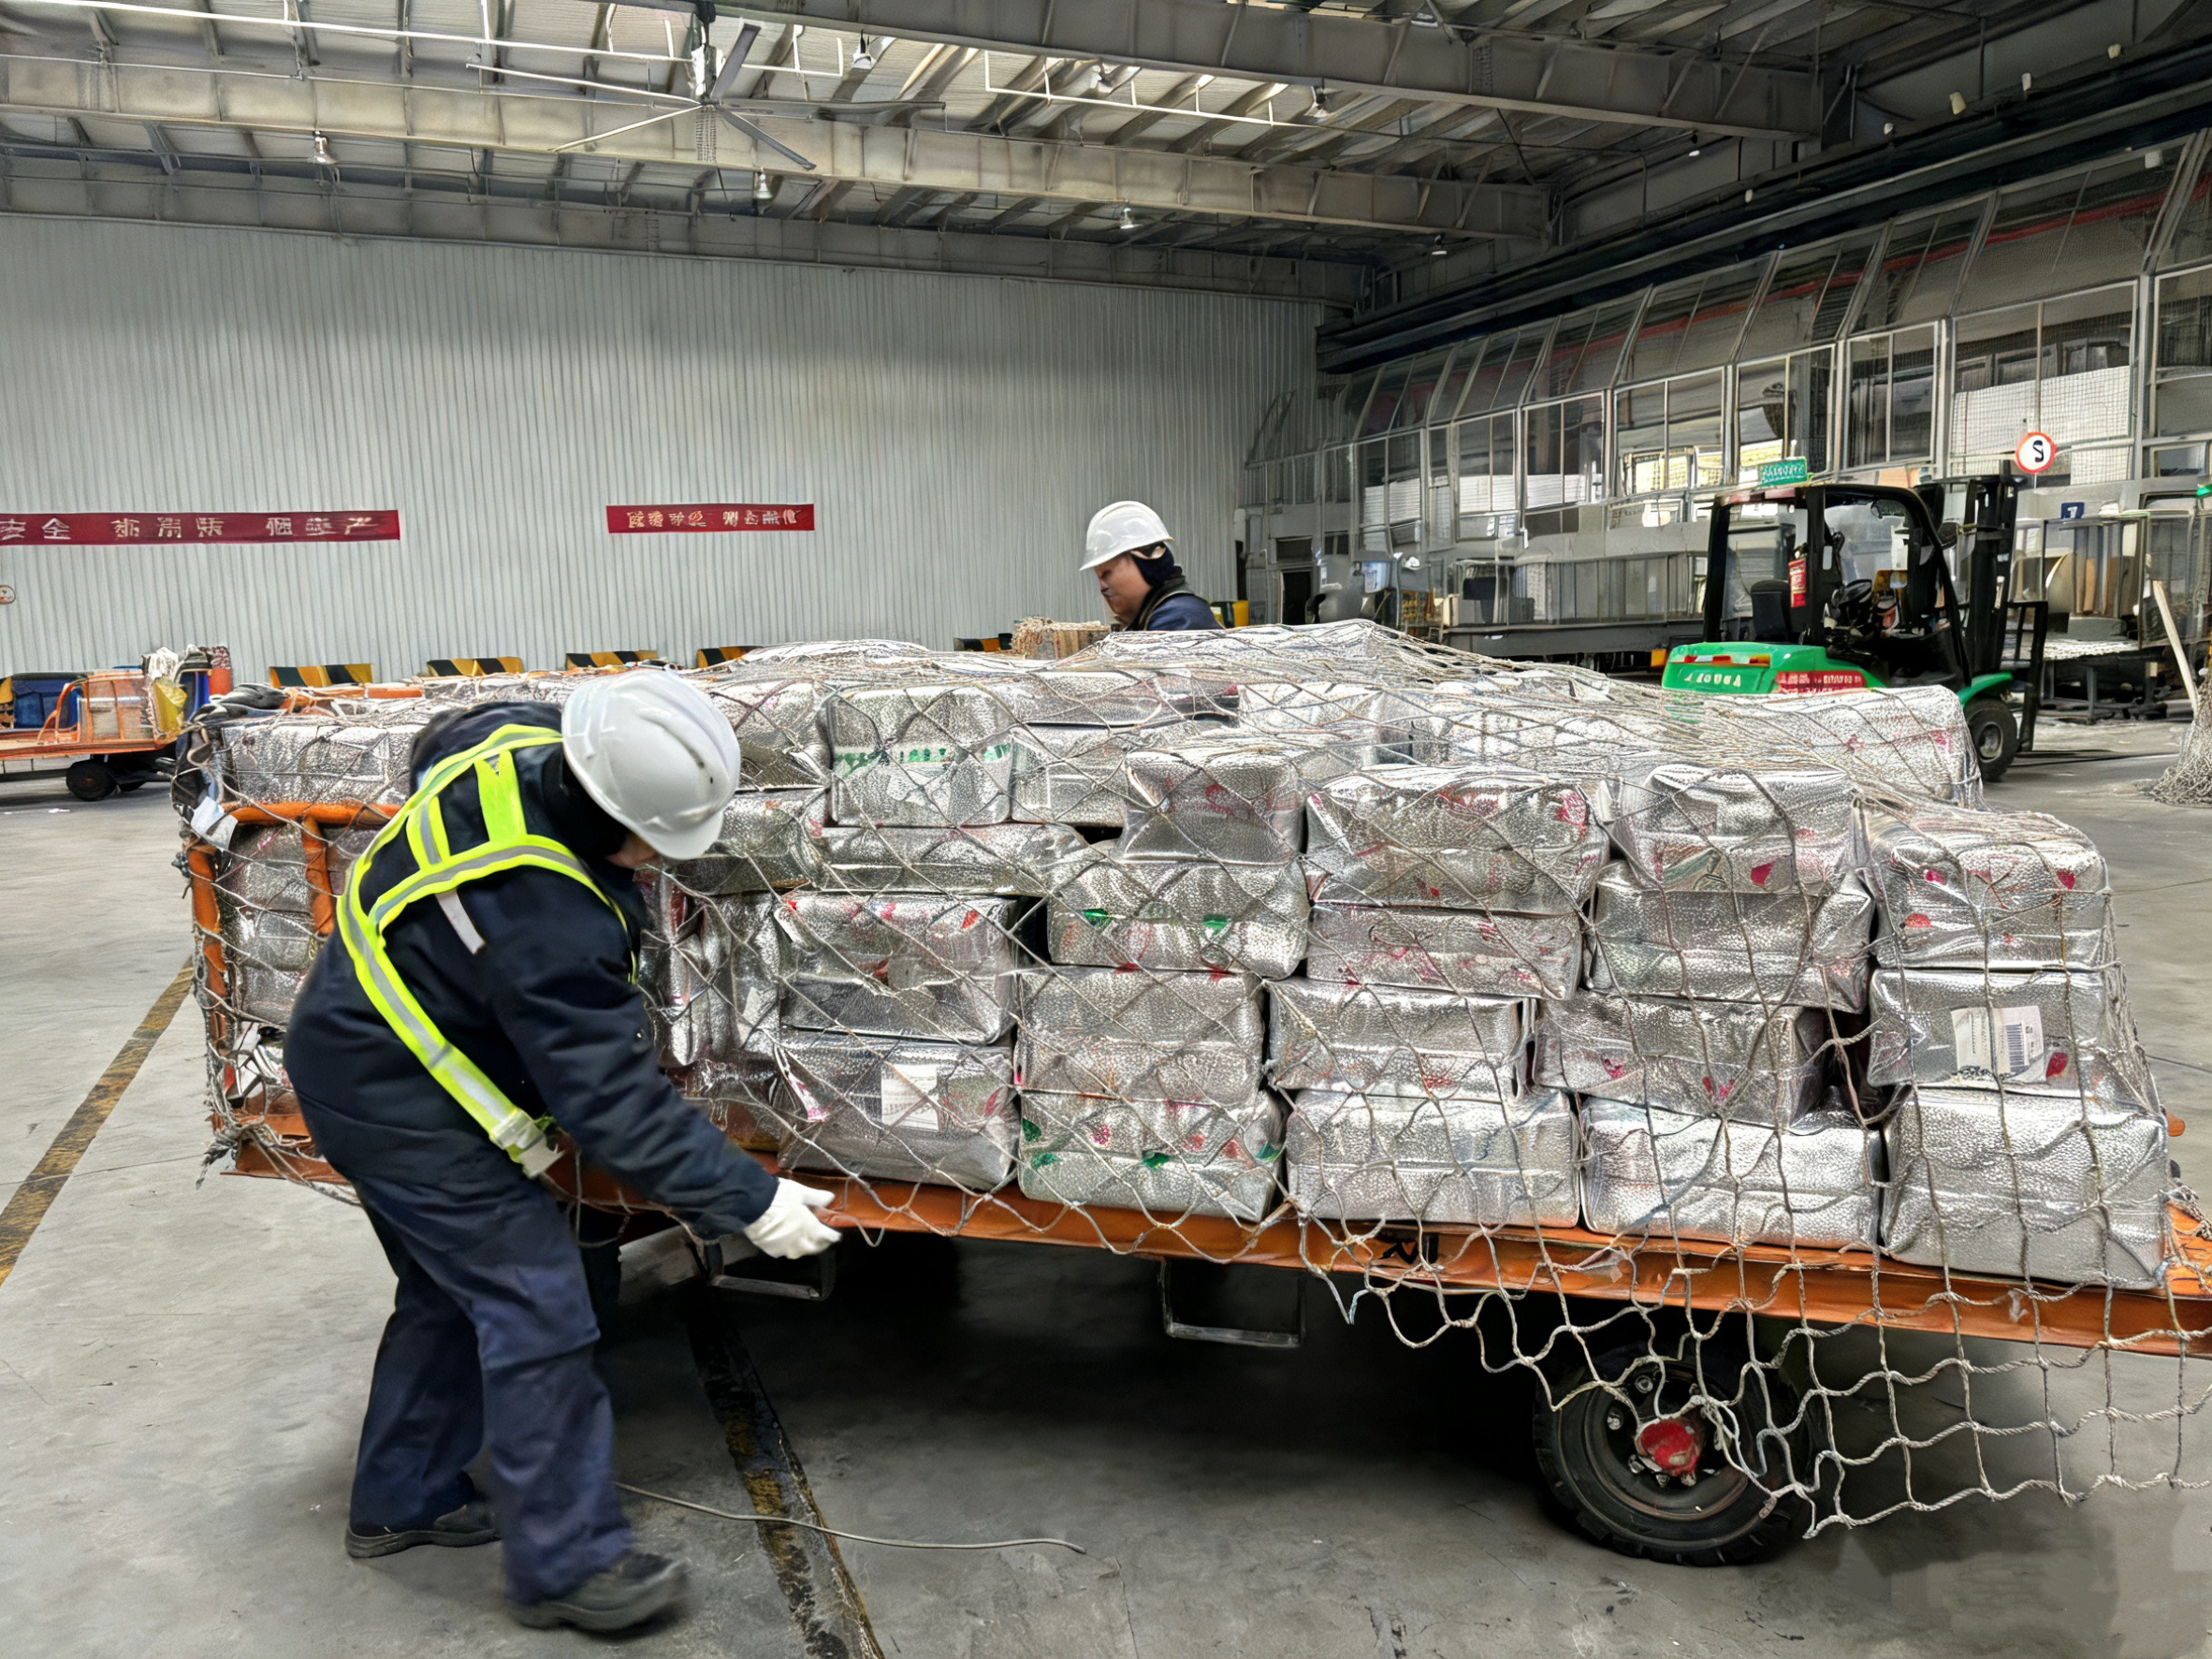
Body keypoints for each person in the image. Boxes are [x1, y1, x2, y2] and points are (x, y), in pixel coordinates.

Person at [285, 671, 839, 1635]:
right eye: (652, 842)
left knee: (446, 1293)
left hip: (356, 1042)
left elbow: (439, 738)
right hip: (402, 1103)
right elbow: (611, 1104)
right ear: (605, 810)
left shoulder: (514, 739)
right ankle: (566, 1567)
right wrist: (750, 1198)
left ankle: (402, 1498)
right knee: (539, 1304)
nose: (656, 862)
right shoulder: (547, 915)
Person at [1081, 501, 1221, 632]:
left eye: (1107, 573)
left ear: (1144, 562)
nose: (1103, 588)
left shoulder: (1176, 619)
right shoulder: (1160, 614)